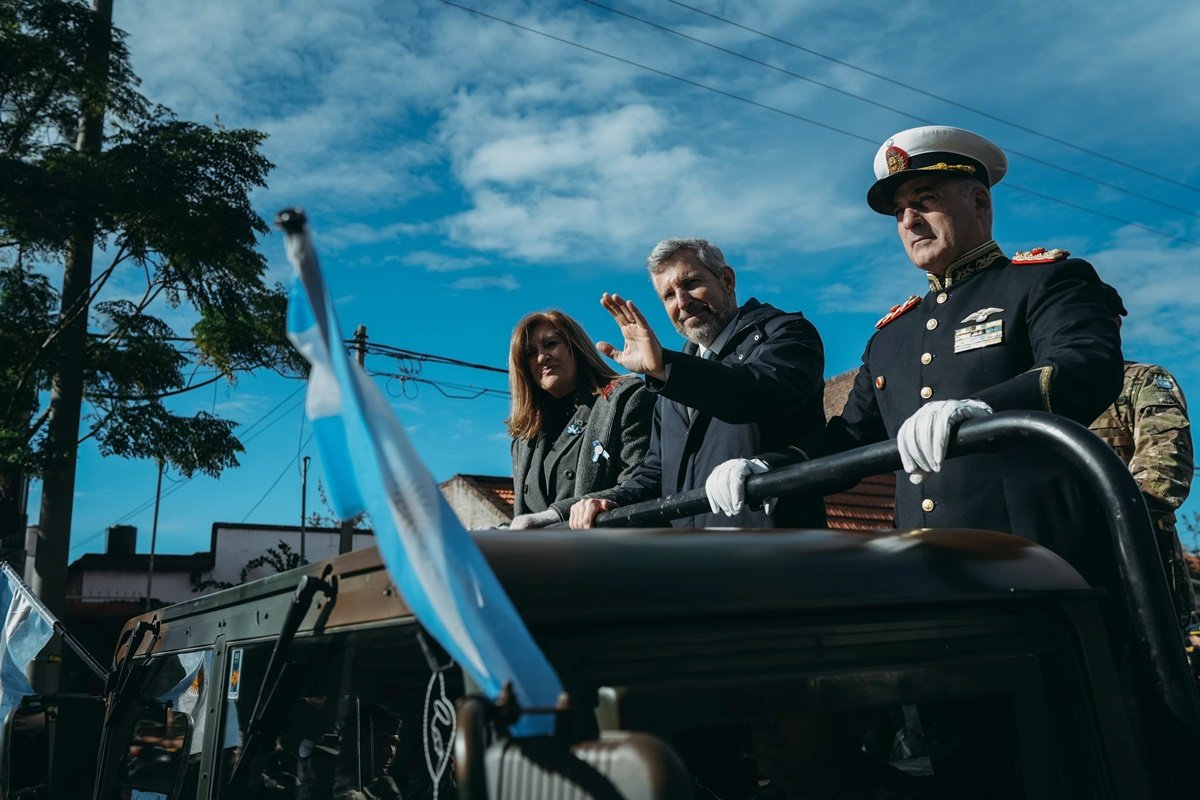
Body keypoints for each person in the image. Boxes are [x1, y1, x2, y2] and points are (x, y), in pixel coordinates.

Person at [707, 126, 1123, 571]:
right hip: (926, 567)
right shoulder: (891, 335)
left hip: (1037, 558)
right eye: (900, 211)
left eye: (924, 201)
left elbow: (1086, 365)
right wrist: (772, 468)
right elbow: (850, 437)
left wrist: (982, 407)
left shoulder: (1043, 282)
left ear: (979, 202)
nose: (909, 220)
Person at [569, 237, 826, 529]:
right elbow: (655, 472)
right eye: (668, 295)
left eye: (690, 283)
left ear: (727, 280)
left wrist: (666, 369)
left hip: (773, 553)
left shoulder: (786, 333)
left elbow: (758, 392)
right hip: (693, 558)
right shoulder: (671, 379)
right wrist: (612, 500)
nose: (682, 302)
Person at [1088, 283, 1196, 621]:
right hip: (1056, 571)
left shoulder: (1141, 381)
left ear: (1114, 325)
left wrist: (1084, 524)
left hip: (1137, 569)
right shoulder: (1037, 390)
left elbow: (1162, 477)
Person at [507, 310, 654, 529]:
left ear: (575, 347)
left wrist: (557, 514)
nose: (541, 357)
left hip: (606, 554)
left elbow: (641, 483)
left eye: (550, 344)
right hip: (543, 560)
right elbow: (526, 517)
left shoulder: (625, 398)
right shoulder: (524, 438)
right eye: (530, 353)